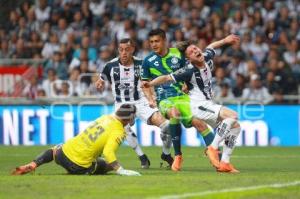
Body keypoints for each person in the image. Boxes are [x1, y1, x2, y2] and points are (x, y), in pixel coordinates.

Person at [143, 35, 242, 173]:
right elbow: (166, 77)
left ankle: (225, 162)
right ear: (188, 59)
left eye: (195, 48)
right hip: (197, 105)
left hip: (207, 103)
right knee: (233, 116)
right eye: (191, 52)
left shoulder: (205, 56)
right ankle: (211, 148)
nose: (195, 51)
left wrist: (225, 40)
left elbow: (212, 46)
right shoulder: (188, 70)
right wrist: (151, 83)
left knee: (235, 127)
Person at [141, 28, 216, 172]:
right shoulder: (147, 61)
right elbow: (145, 84)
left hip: (183, 97)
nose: (154, 44)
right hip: (164, 98)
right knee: (174, 113)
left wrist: (187, 85)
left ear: (164, 41)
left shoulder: (178, 54)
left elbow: (189, 72)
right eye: (151, 42)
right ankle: (178, 156)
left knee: (199, 123)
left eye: (157, 41)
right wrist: (150, 99)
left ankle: (217, 158)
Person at [95, 38, 173, 169]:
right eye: (121, 50)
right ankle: (142, 157)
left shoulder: (142, 64)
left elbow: (147, 83)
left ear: (132, 50)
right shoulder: (110, 66)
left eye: (127, 49)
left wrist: (151, 98)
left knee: (167, 126)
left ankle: (166, 154)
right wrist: (99, 82)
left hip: (141, 102)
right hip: (122, 104)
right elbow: (101, 79)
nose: (123, 53)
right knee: (124, 128)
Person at [12, 104, 141, 176]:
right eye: (132, 117)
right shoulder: (119, 131)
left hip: (63, 154)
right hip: (79, 166)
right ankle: (95, 168)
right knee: (105, 164)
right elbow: (108, 152)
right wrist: (119, 169)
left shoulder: (105, 117)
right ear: (128, 118)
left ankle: (34, 164)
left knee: (54, 150)